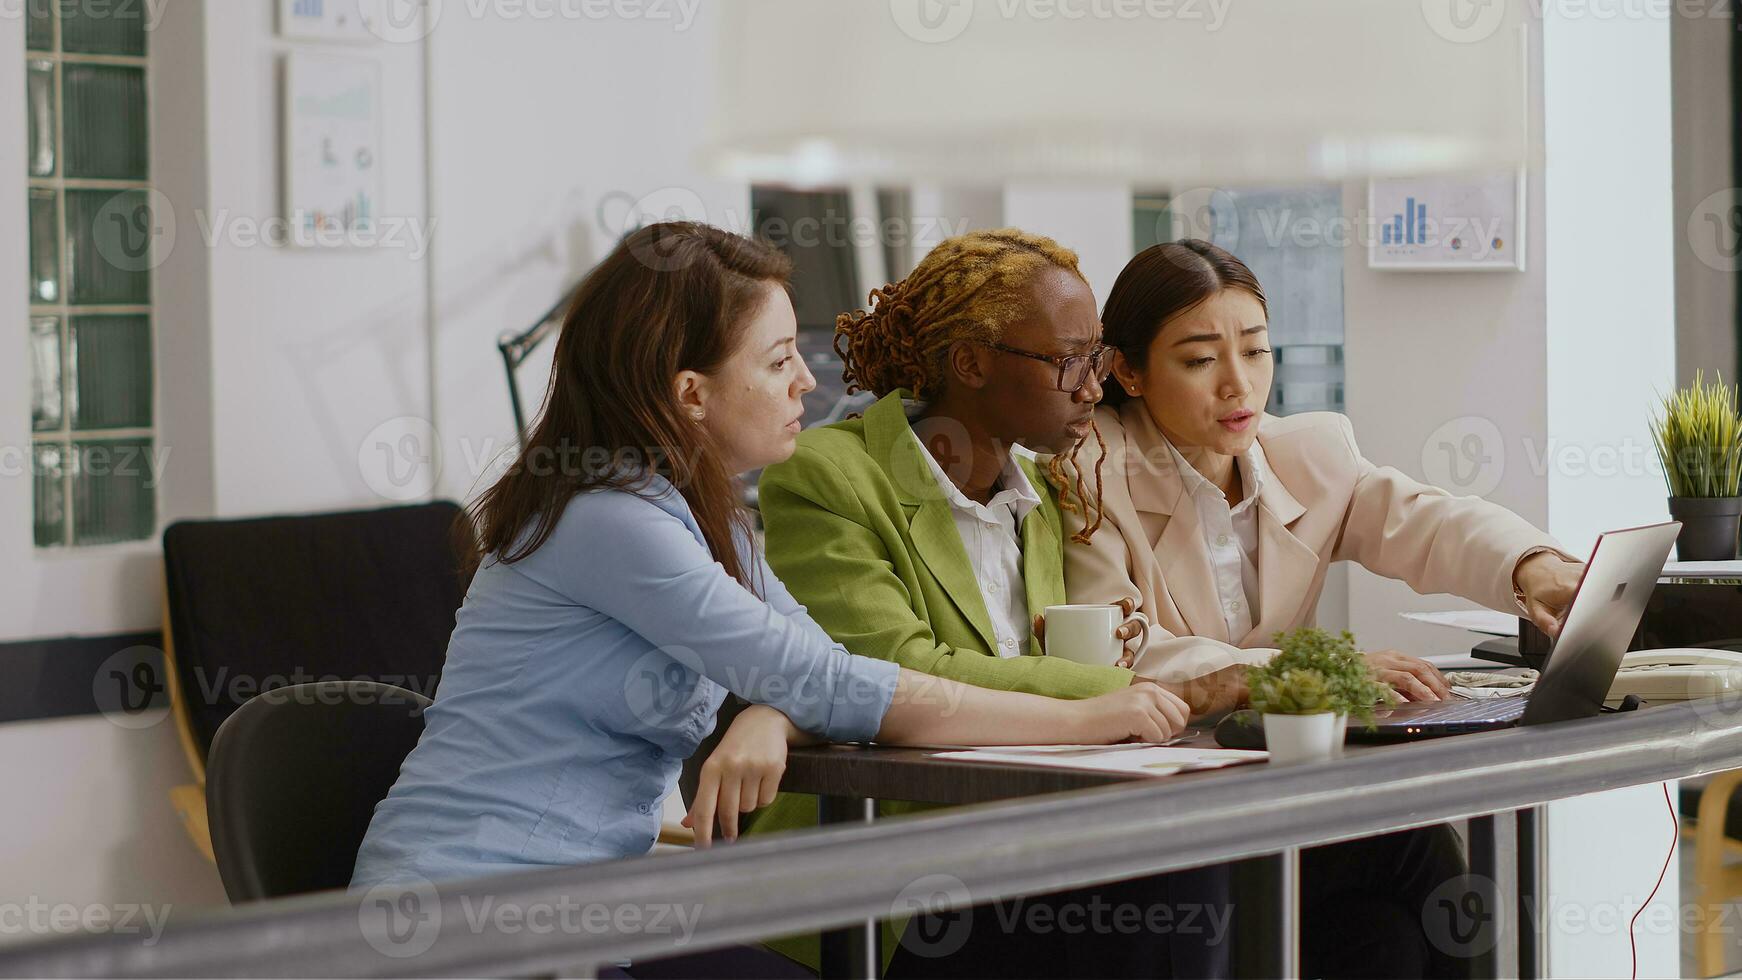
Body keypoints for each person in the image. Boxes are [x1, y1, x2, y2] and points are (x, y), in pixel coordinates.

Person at [346, 223, 1186, 978]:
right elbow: (837, 682)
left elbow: (822, 669)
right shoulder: (609, 521)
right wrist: (1085, 717)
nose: (805, 386)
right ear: (690, 394)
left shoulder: (708, 522)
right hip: (482, 921)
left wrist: (772, 715)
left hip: (599, 912)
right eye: (778, 360)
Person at [1054, 238, 1587, 977]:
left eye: (1257, 351)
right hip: (1160, 820)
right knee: (1414, 849)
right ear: (1130, 372)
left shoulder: (1308, 452)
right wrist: (1312, 673)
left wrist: (1537, 569)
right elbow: (1127, 651)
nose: (1239, 385)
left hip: (1275, 791)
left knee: (1385, 943)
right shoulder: (1089, 470)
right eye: (1201, 360)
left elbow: (1426, 521)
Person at [744, 229, 1228, 979]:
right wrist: (1124, 693)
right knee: (1170, 880)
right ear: (970, 363)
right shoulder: (829, 477)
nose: (1093, 386)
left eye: (1097, 358)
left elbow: (1025, 671)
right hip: (888, 873)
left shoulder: (1041, 499)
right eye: (1070, 359)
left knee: (1220, 857)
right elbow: (890, 667)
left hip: (1018, 838)